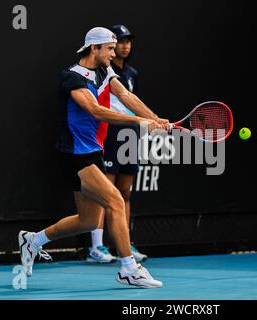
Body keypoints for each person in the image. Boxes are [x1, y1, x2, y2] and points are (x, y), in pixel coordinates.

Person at [18, 27, 168, 288]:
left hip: (92, 153)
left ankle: (33, 241)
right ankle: (129, 269)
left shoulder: (105, 71)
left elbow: (125, 95)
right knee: (116, 201)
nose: (114, 52)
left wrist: (154, 118)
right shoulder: (71, 77)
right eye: (109, 48)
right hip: (75, 156)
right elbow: (96, 111)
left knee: (87, 220)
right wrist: (141, 122)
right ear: (93, 48)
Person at [86, 24, 147, 264]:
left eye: (128, 41)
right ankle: (96, 247)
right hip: (109, 131)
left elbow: (133, 102)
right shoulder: (102, 71)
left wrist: (151, 120)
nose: (124, 46)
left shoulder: (132, 74)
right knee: (106, 191)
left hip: (130, 132)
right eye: (119, 42)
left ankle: (125, 243)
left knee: (125, 193)